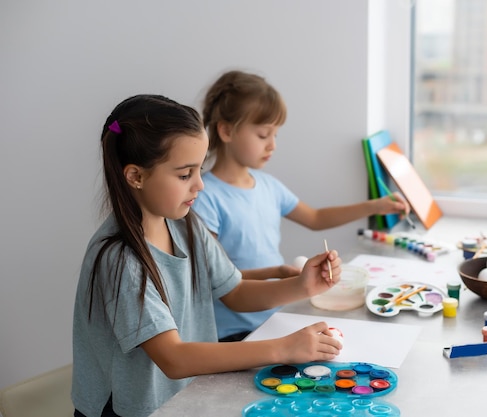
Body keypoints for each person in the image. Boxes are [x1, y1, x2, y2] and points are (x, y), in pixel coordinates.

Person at [71, 94, 342, 417]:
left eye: (200, 170)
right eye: (185, 175)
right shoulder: (119, 260)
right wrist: (283, 348)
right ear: (136, 176)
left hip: (182, 399)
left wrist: (304, 285)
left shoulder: (186, 224)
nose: (199, 185)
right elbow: (173, 358)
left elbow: (235, 291)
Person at [194, 70, 408, 342]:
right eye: (263, 135)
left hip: (277, 318)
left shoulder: (268, 185)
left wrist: (374, 206)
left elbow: (316, 218)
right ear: (225, 130)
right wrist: (285, 278)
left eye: (275, 134)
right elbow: (217, 281)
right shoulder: (205, 197)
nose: (272, 144)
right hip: (233, 335)